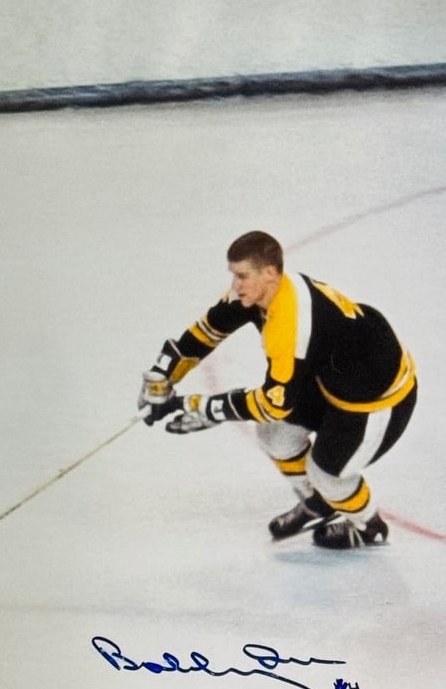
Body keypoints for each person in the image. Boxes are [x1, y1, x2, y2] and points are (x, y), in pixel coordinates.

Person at [138, 231, 417, 550]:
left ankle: (368, 526)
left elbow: (275, 403)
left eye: (242, 276)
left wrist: (206, 408)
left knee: (327, 474)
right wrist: (162, 375)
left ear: (270, 273)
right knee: (274, 435)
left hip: (376, 401)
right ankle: (319, 504)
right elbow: (207, 331)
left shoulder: (290, 325)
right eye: (234, 275)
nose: (236, 285)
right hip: (330, 379)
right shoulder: (260, 293)